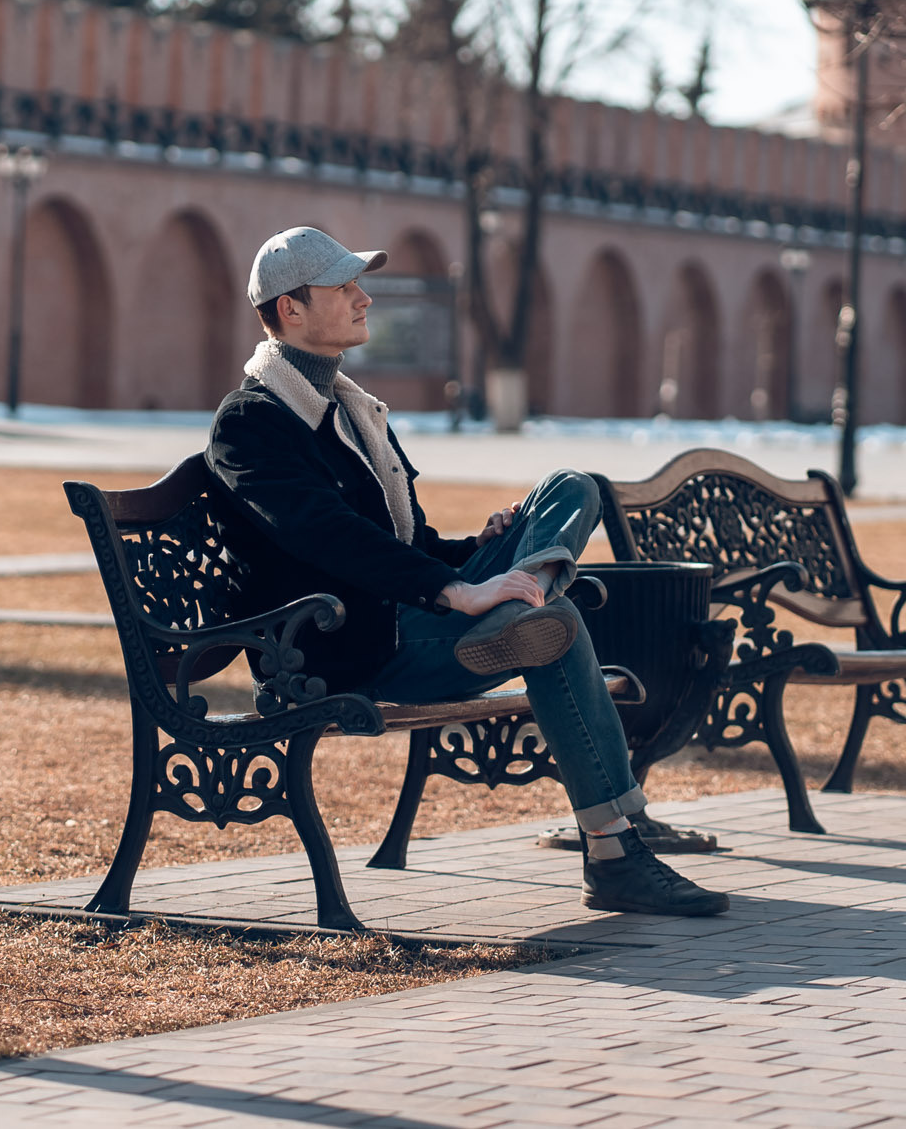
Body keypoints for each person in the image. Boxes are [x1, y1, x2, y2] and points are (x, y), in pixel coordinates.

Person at [205, 225, 730, 917]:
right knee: (556, 627)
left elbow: (408, 542)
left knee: (573, 487)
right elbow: (328, 536)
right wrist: (458, 589)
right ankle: (613, 854)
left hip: (407, 617)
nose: (364, 298)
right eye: (344, 286)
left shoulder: (351, 410)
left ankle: (523, 605)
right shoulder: (250, 423)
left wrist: (475, 549)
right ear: (290, 309)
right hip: (336, 650)